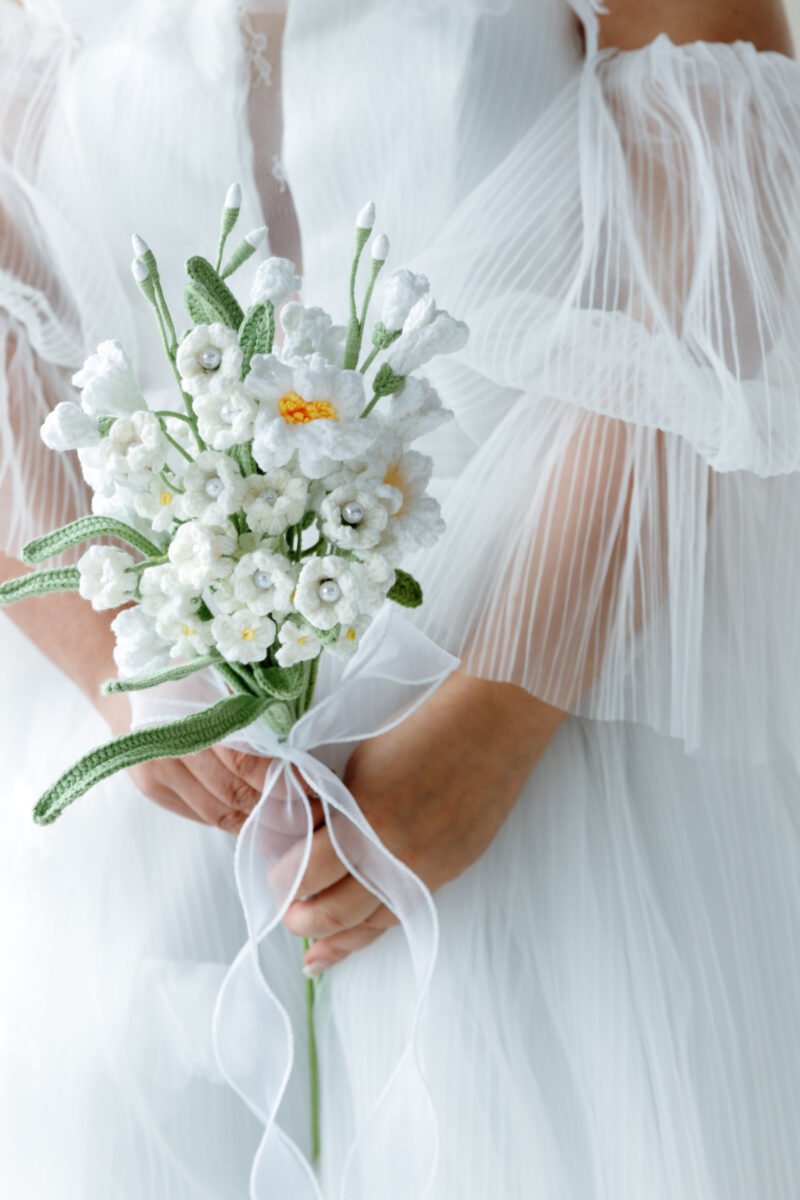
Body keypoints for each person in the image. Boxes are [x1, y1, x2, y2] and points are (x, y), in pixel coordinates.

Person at [2, 0, 800, 1196]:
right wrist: (119, 662)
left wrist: (494, 720)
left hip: (541, 729)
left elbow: (723, 226)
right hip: (148, 786)